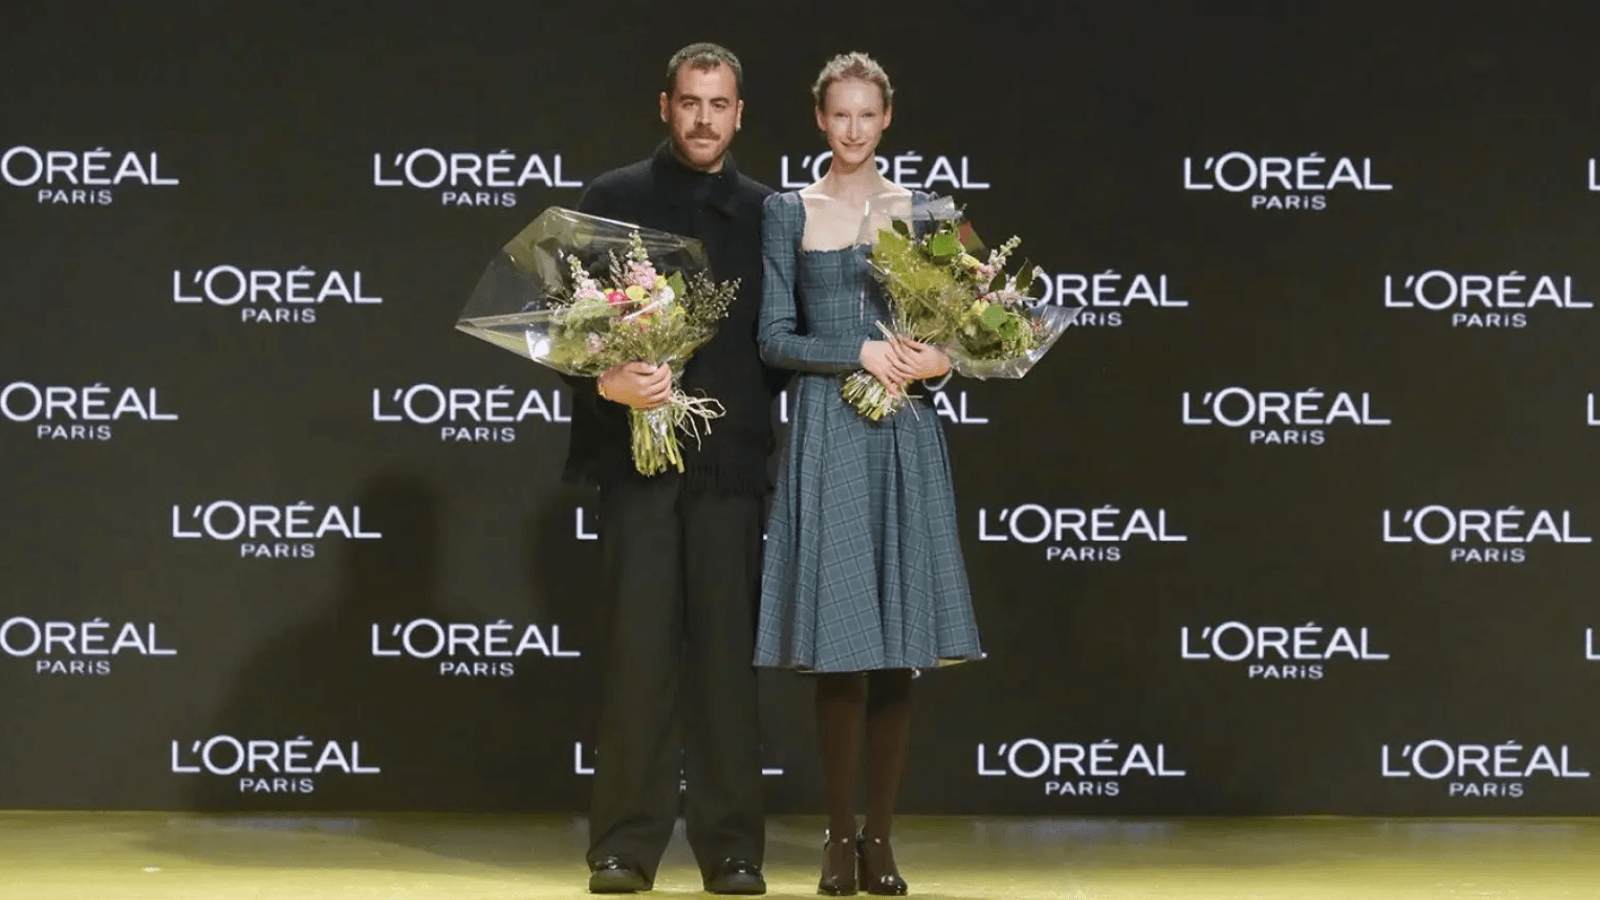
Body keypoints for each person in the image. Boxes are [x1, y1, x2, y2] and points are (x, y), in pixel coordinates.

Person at [754, 52, 983, 896]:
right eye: (839, 115)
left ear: (887, 120)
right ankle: (836, 839)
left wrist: (937, 363)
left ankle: (880, 841)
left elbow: (967, 333)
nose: (852, 130)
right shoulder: (789, 211)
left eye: (867, 116)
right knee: (841, 652)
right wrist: (857, 349)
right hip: (829, 428)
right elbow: (775, 337)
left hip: (904, 435)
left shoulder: (927, 212)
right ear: (821, 119)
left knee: (895, 655)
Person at [562, 41, 780, 895]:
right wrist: (607, 378)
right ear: (665, 106)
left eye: (719, 104)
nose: (703, 118)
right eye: (690, 101)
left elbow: (787, 336)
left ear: (739, 114)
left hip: (728, 468)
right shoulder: (611, 200)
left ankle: (733, 849)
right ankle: (622, 846)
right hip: (635, 464)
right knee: (636, 657)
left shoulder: (769, 212)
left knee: (727, 664)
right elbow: (565, 328)